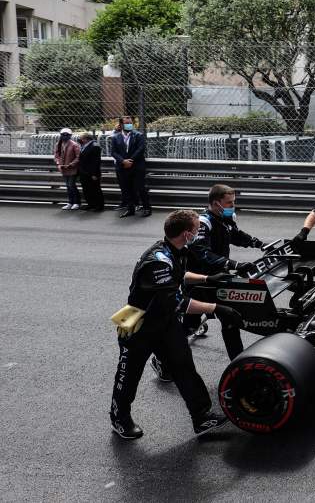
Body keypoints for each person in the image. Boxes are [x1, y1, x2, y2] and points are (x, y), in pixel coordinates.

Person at [109, 210, 235, 440]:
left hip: (165, 322)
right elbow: (179, 302)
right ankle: (120, 418)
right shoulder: (156, 262)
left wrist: (207, 279)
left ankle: (201, 416)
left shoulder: (175, 250)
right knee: (129, 375)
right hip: (138, 324)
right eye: (196, 230)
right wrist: (216, 308)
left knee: (184, 366)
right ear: (186, 234)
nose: (198, 233)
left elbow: (179, 274)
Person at [182, 184, 264, 360]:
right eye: (229, 203)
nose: (232, 206)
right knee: (188, 326)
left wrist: (259, 244)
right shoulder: (203, 223)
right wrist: (233, 264)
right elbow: (202, 253)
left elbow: (235, 235)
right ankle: (163, 361)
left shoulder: (223, 219)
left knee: (230, 320)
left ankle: (239, 364)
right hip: (201, 282)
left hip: (220, 278)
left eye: (233, 202)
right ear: (215, 203)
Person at [110, 116, 151, 218]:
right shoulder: (116, 137)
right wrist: (123, 161)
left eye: (130, 123)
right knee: (126, 189)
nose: (129, 125)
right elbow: (113, 152)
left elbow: (140, 149)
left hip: (136, 166)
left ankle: (146, 208)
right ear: (121, 125)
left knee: (141, 188)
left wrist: (130, 160)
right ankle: (130, 209)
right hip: (123, 167)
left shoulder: (138, 135)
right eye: (127, 123)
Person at [53, 128, 81, 210]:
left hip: (72, 169)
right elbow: (56, 156)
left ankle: (76, 202)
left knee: (71, 185)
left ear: (70, 136)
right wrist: (58, 163)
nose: (64, 136)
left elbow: (78, 157)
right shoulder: (58, 144)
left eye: (67, 135)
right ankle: (70, 202)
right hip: (63, 169)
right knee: (68, 186)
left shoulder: (74, 145)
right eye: (63, 135)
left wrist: (71, 164)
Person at [78, 132, 105, 212]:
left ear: (86, 139)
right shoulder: (84, 146)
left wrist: (94, 173)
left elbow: (96, 161)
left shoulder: (95, 146)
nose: (81, 140)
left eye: (82, 138)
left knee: (95, 189)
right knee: (86, 189)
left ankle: (99, 206)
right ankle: (91, 204)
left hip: (92, 172)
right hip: (84, 172)